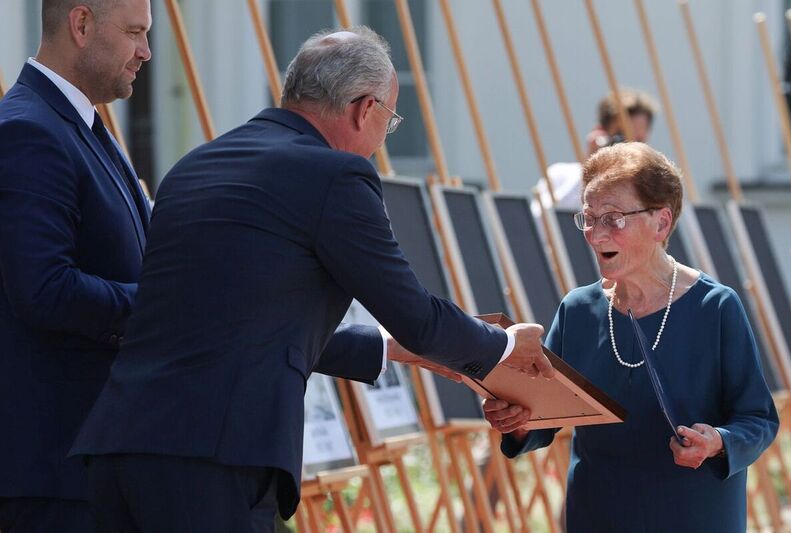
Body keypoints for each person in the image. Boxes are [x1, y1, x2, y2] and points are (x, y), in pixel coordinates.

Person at [71, 27, 553, 532]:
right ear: (365, 109)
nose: (380, 140)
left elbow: (240, 321)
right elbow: (416, 315)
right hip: (215, 456)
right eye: (390, 121)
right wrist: (502, 347)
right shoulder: (336, 176)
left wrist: (395, 349)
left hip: (120, 443)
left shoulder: (196, 165)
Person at [485, 142, 778, 532]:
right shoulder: (578, 309)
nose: (594, 233)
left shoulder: (716, 307)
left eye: (613, 218)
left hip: (694, 516)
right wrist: (516, 420)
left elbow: (757, 418)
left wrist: (718, 441)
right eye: (588, 217)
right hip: (599, 514)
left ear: (661, 222)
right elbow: (543, 417)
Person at [0, 1, 152, 531]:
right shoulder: (29, 130)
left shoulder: (83, 125)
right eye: (135, 33)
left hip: (92, 467)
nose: (145, 53)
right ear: (81, 24)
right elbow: (43, 288)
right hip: (54, 477)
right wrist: (161, 305)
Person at [538, 89, 658, 211]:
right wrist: (589, 174)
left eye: (638, 141)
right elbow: (543, 221)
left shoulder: (648, 191)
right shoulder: (558, 175)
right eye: (621, 137)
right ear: (601, 133)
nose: (629, 147)